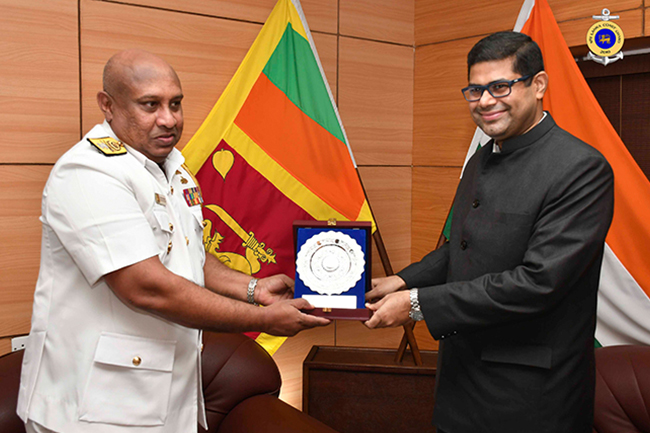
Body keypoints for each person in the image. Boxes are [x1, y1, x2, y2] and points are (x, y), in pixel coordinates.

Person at [17, 49, 330, 433]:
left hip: (164, 396)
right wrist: (263, 318)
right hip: (94, 408)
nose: (169, 119)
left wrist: (252, 288)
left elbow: (189, 252)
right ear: (108, 105)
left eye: (175, 103)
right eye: (150, 105)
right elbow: (146, 287)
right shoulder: (89, 172)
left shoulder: (173, 167)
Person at [365, 31, 614, 433]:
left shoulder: (580, 168)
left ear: (538, 85)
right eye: (475, 89)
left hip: (530, 398)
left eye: (500, 86)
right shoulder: (481, 158)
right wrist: (401, 280)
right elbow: (462, 248)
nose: (484, 101)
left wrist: (415, 304)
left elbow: (539, 283)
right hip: (460, 382)